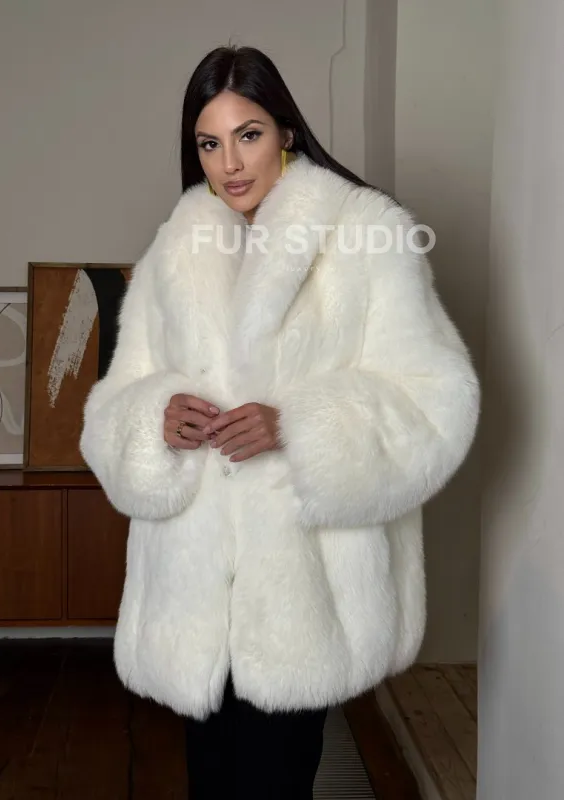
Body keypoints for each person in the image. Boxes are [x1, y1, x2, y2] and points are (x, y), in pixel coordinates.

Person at [79, 44, 480, 799]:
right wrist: (156, 417)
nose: (229, 163)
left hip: (304, 595)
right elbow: (112, 406)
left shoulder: (366, 233)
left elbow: (437, 399)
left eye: (249, 134)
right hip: (193, 597)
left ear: (287, 130)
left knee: (274, 784)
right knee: (212, 782)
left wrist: (297, 426)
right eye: (209, 143)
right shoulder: (177, 246)